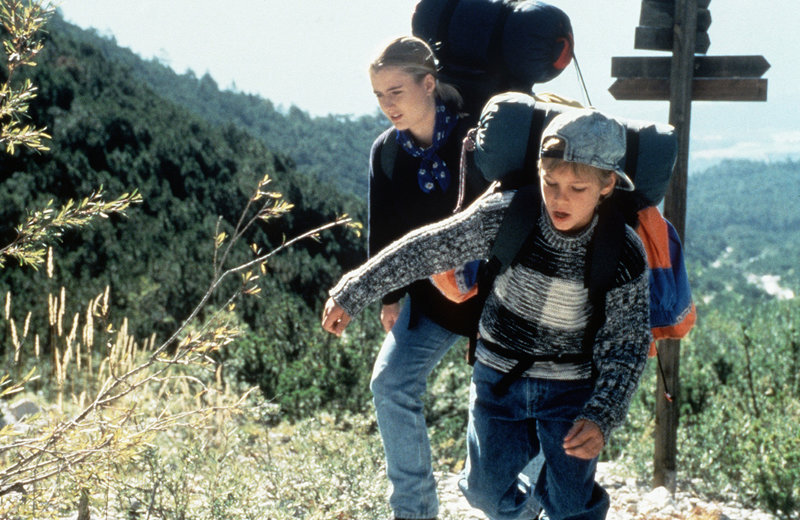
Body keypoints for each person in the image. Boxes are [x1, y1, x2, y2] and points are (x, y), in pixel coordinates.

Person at [323, 108, 652, 520]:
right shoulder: (508, 214)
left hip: (570, 389)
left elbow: (628, 343)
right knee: (484, 493)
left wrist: (602, 415)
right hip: (499, 377)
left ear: (607, 185)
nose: (559, 198)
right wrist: (354, 291)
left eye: (577, 188)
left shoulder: (621, 250)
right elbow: (426, 248)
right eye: (549, 182)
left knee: (570, 505)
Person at [363, 36, 490, 520]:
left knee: (492, 406)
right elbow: (386, 234)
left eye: (396, 91)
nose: (387, 105)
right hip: (429, 299)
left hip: (490, 302)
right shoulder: (386, 153)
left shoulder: (475, 142)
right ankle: (413, 512)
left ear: (429, 83)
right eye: (379, 95)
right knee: (390, 384)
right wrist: (389, 297)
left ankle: (517, 504)